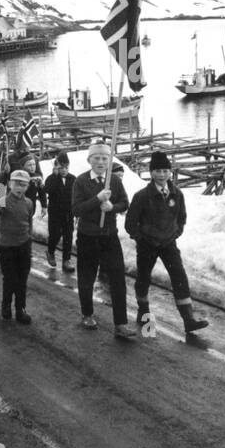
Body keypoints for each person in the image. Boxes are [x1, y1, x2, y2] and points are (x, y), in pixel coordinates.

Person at [126, 151, 209, 334]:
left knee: (179, 276)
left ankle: (188, 320)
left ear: (170, 172)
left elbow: (181, 218)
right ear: (151, 172)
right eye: (157, 171)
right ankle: (143, 311)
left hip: (168, 244)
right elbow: (130, 224)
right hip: (147, 244)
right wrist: (142, 238)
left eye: (165, 171)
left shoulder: (177, 194)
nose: (162, 175)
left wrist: (174, 234)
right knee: (144, 277)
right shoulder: (142, 196)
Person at [71, 143, 135, 338]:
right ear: (89, 160)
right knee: (87, 277)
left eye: (104, 158)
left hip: (109, 236)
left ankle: (121, 324)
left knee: (117, 278)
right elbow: (76, 209)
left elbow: (125, 202)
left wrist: (112, 207)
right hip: (88, 236)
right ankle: (87, 314)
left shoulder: (114, 180)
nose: (100, 162)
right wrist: (97, 199)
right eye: (96, 158)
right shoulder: (81, 181)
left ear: (109, 161)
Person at [0, 170, 36, 324]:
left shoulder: (29, 203)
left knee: (22, 279)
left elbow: (29, 222)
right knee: (10, 279)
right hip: (7, 247)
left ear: (27, 186)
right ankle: (6, 305)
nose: (19, 187)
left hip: (24, 246)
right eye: (16, 183)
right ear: (9, 184)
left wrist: (29, 241)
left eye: (23, 184)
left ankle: (20, 309)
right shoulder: (3, 200)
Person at [43, 152, 75, 272]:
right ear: (56, 168)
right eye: (61, 168)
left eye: (66, 168)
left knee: (68, 236)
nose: (64, 170)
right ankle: (50, 251)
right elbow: (48, 190)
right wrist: (55, 176)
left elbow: (76, 195)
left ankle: (66, 260)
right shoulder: (51, 179)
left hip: (69, 213)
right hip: (55, 212)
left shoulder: (73, 179)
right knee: (55, 234)